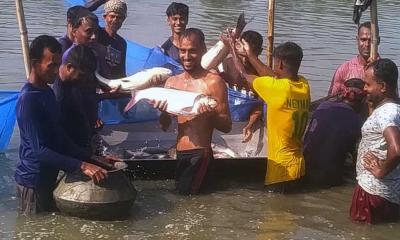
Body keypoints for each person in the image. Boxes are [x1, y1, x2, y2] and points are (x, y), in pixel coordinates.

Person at [15, 35, 108, 215]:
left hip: (48, 177)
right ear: (35, 63)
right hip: (32, 182)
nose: (56, 70)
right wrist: (81, 166)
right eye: (51, 65)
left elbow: (60, 139)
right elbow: (39, 150)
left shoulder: (47, 92)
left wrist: (90, 158)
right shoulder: (28, 99)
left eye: (58, 64)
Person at [153, 28, 232, 195]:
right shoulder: (172, 82)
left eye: (192, 51)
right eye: (183, 51)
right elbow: (164, 126)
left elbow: (226, 125)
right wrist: (164, 113)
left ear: (203, 50)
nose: (186, 56)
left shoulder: (213, 82)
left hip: (200, 155)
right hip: (179, 153)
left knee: (188, 203)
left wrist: (210, 115)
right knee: (185, 205)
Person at [230, 40, 310, 193]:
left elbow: (244, 75)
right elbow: (274, 76)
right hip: (299, 168)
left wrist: (231, 48)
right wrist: (251, 54)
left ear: (279, 64)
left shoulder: (277, 89)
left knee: (275, 215)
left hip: (281, 172)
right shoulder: (303, 85)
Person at [350, 58, 400, 224]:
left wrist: (382, 171)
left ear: (384, 87)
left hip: (372, 191)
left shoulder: (386, 113)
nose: (364, 89)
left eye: (368, 84)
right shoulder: (396, 109)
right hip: (391, 194)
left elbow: (397, 149)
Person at [303, 78, 365, 187]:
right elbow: (357, 158)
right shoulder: (357, 121)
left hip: (304, 168)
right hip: (329, 177)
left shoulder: (323, 106)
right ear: (363, 100)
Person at [220, 30, 264, 142]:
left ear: (259, 52)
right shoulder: (227, 64)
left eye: (248, 56)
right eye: (241, 55)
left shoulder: (262, 75)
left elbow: (259, 106)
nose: (244, 60)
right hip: (228, 120)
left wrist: (250, 125)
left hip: (250, 121)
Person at [328, 22, 375, 96]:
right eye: (363, 40)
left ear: (378, 41)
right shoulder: (344, 69)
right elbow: (331, 100)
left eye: (371, 40)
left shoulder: (385, 70)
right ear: (357, 40)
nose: (367, 44)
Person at [86, 0, 128, 79]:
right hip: (94, 83)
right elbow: (83, 10)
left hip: (111, 86)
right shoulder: (97, 34)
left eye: (119, 17)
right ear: (105, 17)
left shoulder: (121, 43)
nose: (115, 20)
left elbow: (121, 72)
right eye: (112, 16)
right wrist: (102, 1)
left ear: (123, 20)